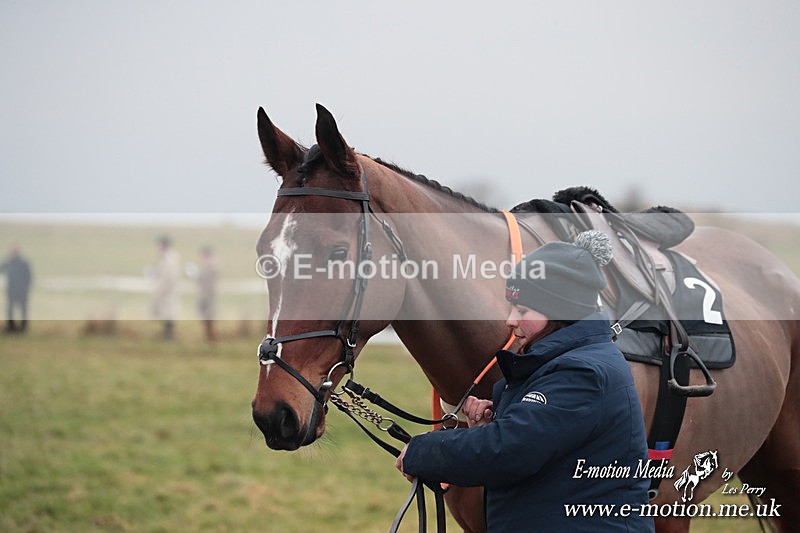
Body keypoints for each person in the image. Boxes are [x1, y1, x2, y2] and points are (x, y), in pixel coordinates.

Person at [395, 230, 654, 532]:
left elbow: (509, 451)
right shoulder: (569, 361)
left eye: (522, 310)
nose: (510, 320)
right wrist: (496, 420)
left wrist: (423, 452)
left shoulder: (581, 373)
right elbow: (538, 439)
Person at [151, 235, 180, 340]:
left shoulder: (169, 260)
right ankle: (167, 337)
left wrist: (160, 290)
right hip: (166, 292)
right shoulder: (168, 258)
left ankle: (168, 338)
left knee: (168, 315)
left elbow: (167, 278)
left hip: (167, 292)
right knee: (167, 315)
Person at [1, 245, 32, 333]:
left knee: (23, 310)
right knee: (10, 310)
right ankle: (11, 327)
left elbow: (29, 276)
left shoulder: (24, 263)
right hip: (11, 290)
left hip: (22, 291)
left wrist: (26, 288)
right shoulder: (8, 262)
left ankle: (24, 328)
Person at [196, 246, 218, 343]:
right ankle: (210, 340)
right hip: (206, 297)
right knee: (207, 321)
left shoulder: (211, 267)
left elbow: (208, 284)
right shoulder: (207, 267)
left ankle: (212, 340)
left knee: (209, 321)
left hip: (208, 298)